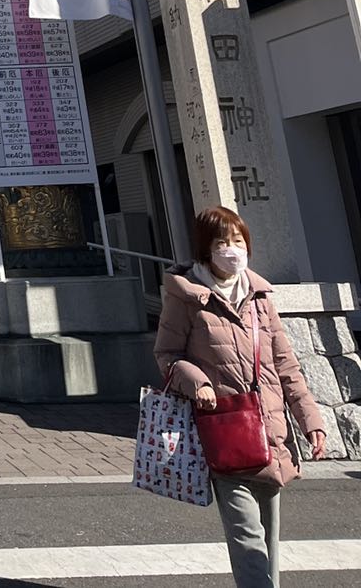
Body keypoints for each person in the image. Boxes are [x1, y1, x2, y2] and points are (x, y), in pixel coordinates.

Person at [154, 205, 327, 588]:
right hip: (224, 435)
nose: (232, 250)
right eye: (222, 243)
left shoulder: (260, 297)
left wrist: (311, 421)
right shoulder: (186, 298)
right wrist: (195, 381)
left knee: (268, 543)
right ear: (205, 250)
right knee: (248, 541)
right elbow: (167, 355)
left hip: (271, 434)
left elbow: (287, 366)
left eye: (238, 241)